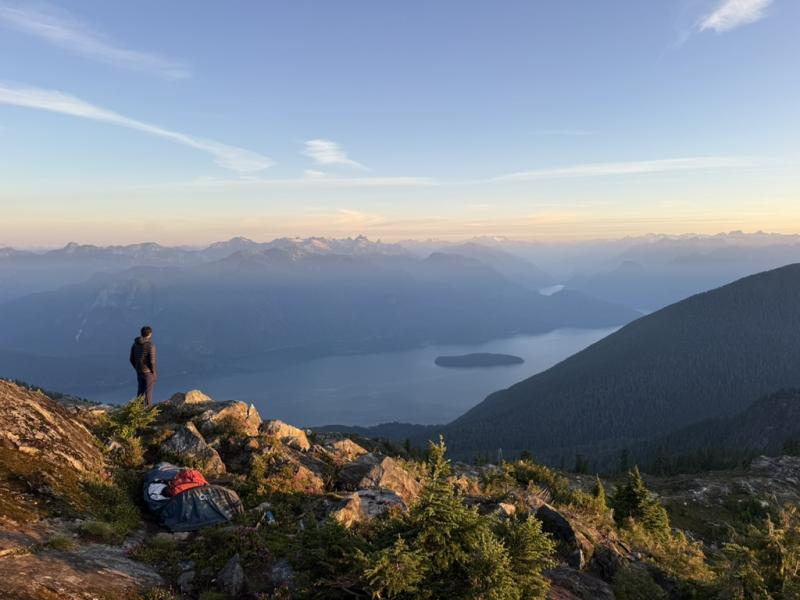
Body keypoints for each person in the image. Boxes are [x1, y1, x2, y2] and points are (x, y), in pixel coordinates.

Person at [130, 325, 157, 408]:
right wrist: (153, 372)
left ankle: (138, 410)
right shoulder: (150, 345)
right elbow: (152, 361)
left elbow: (131, 359)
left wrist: (137, 368)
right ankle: (149, 411)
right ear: (150, 334)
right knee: (148, 392)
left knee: (140, 391)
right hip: (148, 372)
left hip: (139, 371)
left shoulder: (135, 344)